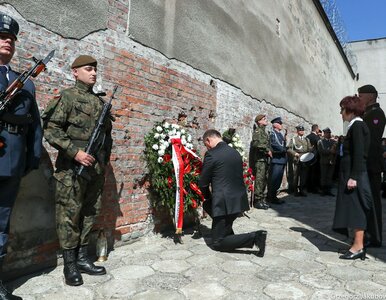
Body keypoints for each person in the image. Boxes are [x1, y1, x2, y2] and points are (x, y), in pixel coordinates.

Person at [42, 55, 113, 286]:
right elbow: (51, 130)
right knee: (68, 215)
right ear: (75, 72)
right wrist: (75, 153)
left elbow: (106, 138)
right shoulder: (67, 97)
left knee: (90, 212)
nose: (93, 73)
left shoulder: (100, 103)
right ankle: (70, 265)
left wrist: (102, 164)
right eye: (88, 69)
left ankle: (83, 258)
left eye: (95, 70)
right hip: (72, 170)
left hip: (96, 169)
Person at [0, 13, 42, 300]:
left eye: (12, 39)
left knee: (1, 222)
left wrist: (32, 158)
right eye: (2, 37)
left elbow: (34, 124)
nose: (8, 42)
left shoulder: (24, 83)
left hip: (12, 160)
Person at [199, 129, 267, 256]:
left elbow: (203, 182)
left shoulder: (212, 154)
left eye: (205, 144)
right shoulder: (235, 152)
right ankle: (230, 237)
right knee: (212, 212)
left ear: (209, 140)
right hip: (238, 201)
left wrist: (209, 198)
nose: (206, 147)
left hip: (223, 203)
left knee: (218, 243)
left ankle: (255, 237)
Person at [333, 96, 372, 260]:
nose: (341, 113)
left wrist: (353, 177)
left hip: (354, 174)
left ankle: (358, 247)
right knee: (353, 209)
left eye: (342, 109)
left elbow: (359, 154)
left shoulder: (357, 126)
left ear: (350, 110)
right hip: (351, 173)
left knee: (357, 210)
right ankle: (356, 244)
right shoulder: (355, 125)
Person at [358, 84, 385, 247]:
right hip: (367, 164)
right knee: (367, 200)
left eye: (361, 95)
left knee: (373, 201)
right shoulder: (368, 113)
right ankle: (368, 233)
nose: (359, 97)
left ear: (371, 96)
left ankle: (374, 237)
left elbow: (372, 141)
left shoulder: (376, 113)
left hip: (371, 164)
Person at [249, 114, 272, 209]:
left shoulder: (264, 132)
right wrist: (267, 150)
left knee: (264, 179)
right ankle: (257, 201)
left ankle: (262, 199)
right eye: (264, 119)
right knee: (259, 179)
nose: (266, 120)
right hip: (259, 160)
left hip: (265, 159)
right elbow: (255, 144)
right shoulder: (258, 131)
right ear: (259, 121)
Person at [287, 125, 312, 196]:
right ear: (297, 131)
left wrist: (311, 149)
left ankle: (302, 190)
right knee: (296, 175)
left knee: (304, 175)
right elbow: (289, 149)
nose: (302, 131)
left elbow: (309, 148)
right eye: (300, 130)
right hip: (297, 159)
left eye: (302, 130)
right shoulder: (294, 139)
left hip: (305, 159)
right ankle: (295, 190)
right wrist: (295, 153)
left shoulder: (307, 140)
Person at [267, 117, 287, 204]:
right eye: (279, 123)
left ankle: (274, 196)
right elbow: (275, 144)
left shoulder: (280, 134)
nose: (281, 125)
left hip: (281, 159)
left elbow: (282, 144)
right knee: (274, 179)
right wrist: (284, 149)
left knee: (278, 179)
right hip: (276, 159)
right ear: (275, 124)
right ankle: (271, 197)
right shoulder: (273, 134)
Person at [317, 128, 337, 196]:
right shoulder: (320, 142)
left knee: (329, 176)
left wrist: (334, 153)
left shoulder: (333, 142)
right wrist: (330, 151)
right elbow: (321, 151)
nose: (329, 134)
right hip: (324, 161)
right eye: (328, 133)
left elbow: (336, 150)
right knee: (323, 176)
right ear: (324, 134)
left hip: (331, 161)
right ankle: (323, 191)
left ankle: (328, 190)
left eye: (329, 133)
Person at [306, 124, 321, 193]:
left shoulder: (307, 137)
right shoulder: (317, 137)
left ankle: (308, 187)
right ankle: (313, 188)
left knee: (309, 172)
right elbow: (319, 147)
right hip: (315, 156)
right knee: (314, 173)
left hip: (308, 156)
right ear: (316, 129)